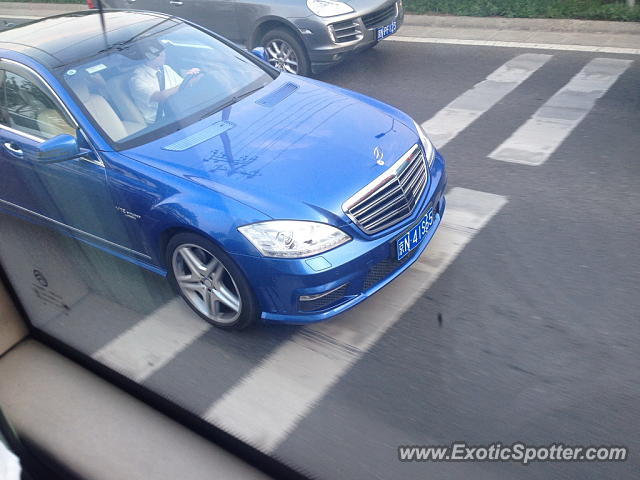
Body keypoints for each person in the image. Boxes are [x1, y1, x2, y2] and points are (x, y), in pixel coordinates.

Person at [129, 42, 201, 124]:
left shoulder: (166, 68)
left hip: (178, 111)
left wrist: (192, 76)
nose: (163, 54)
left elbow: (182, 86)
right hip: (161, 121)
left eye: (163, 51)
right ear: (147, 57)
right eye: (158, 53)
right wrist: (186, 83)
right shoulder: (137, 80)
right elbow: (159, 96)